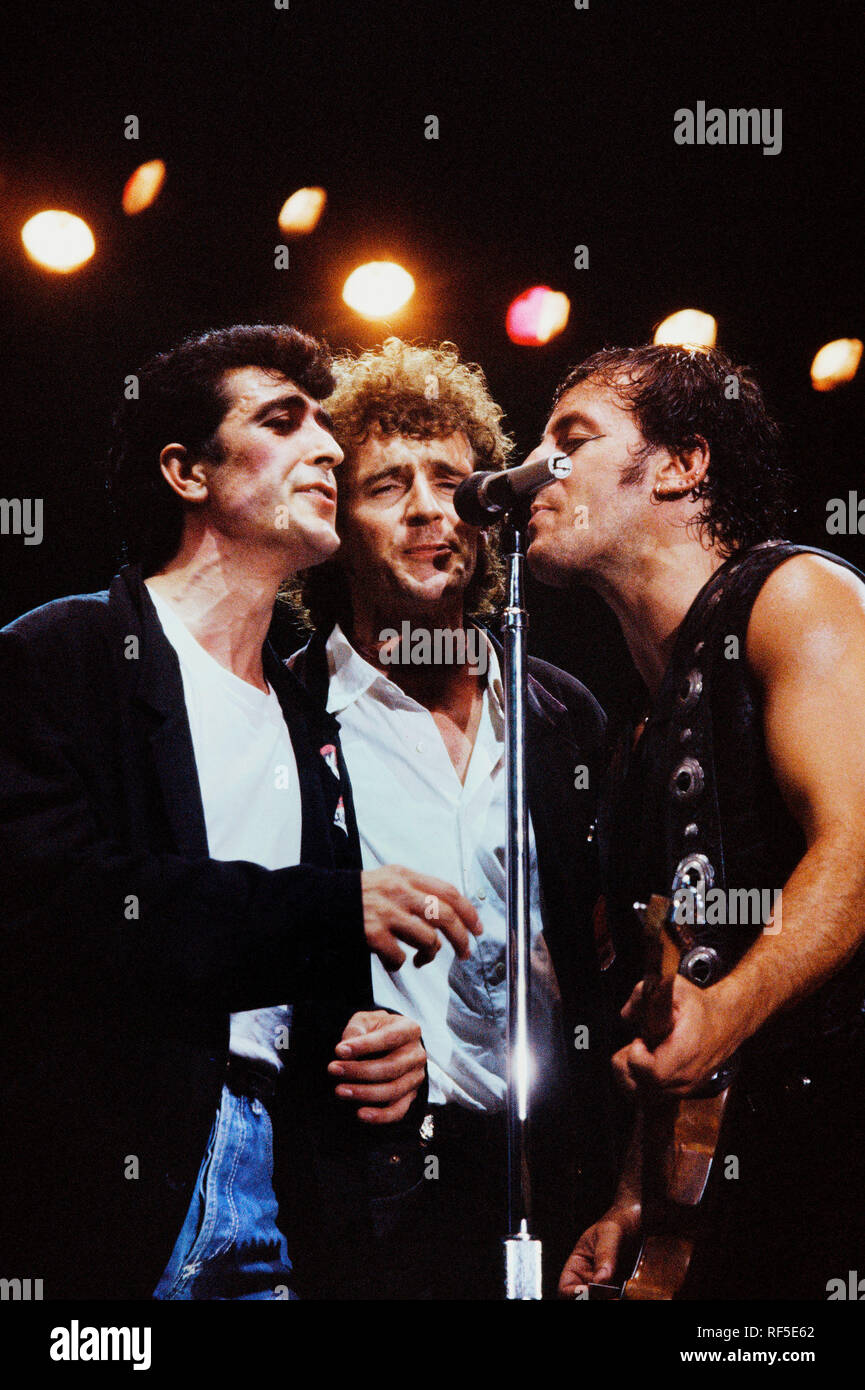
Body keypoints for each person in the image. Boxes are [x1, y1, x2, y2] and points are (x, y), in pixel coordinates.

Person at [0, 324, 482, 1301]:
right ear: (186, 471)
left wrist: (377, 1044)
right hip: (105, 1187)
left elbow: (291, 971)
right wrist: (322, 908)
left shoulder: (311, 718)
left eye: (327, 428)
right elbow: (49, 910)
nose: (329, 449)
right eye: (282, 420)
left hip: (285, 1194)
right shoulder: (65, 653)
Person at [524, 343, 865, 1300]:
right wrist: (640, 1200)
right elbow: (683, 982)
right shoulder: (640, 728)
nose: (531, 467)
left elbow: (861, 844)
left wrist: (727, 1014)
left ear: (680, 465)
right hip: (753, 1185)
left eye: (571, 439)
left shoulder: (795, 596)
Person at [289, 337, 613, 1298]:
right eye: (388, 485)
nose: (432, 508)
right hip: (378, 1190)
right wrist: (326, 1041)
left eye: (453, 481)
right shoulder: (284, 715)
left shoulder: (561, 712)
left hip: (559, 1174)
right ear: (334, 522)